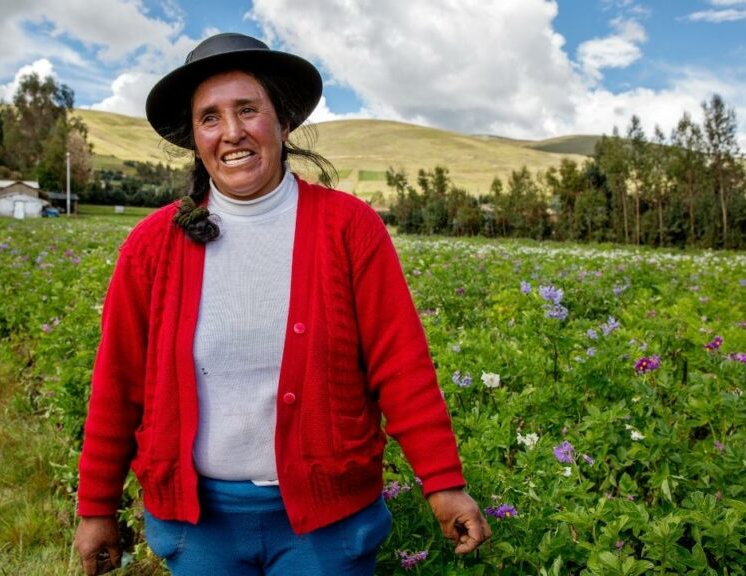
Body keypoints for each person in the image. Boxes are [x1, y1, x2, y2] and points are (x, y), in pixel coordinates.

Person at [73, 32, 491, 575]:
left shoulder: (347, 229)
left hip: (327, 525)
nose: (232, 133)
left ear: (284, 123)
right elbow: (118, 383)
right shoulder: (154, 246)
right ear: (195, 138)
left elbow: (401, 364)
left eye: (248, 110)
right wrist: (96, 506)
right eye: (210, 117)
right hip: (200, 530)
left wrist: (443, 483)